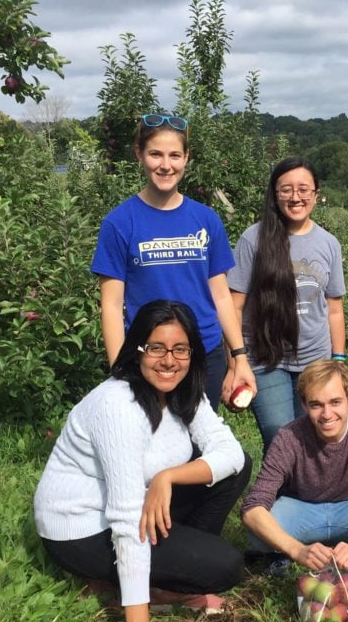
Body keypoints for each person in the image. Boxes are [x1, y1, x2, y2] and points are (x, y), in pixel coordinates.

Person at [34, 300, 252, 622]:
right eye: (156, 348)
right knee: (225, 567)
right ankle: (146, 585)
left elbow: (231, 454)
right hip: (82, 528)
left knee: (235, 470)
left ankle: (170, 571)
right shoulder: (118, 406)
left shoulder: (185, 391)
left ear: (192, 353)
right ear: (137, 351)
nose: (169, 361)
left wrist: (167, 477)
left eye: (179, 349)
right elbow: (125, 519)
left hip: (141, 499)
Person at [91, 113, 255, 406]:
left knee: (198, 444)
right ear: (139, 154)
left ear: (186, 158)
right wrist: (119, 370)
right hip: (150, 358)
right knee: (155, 447)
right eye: (155, 154)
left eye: (174, 155)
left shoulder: (206, 219)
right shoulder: (118, 223)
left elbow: (220, 296)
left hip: (205, 354)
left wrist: (239, 357)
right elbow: (112, 305)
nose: (166, 165)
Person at [241, 360, 348, 577]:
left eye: (335, 402)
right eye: (316, 405)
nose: (326, 414)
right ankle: (285, 553)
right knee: (256, 532)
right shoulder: (289, 437)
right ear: (304, 405)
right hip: (301, 508)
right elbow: (253, 507)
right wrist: (297, 550)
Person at [228, 158, 346, 450]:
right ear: (274, 194)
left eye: (304, 189)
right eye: (287, 190)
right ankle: (279, 494)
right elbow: (233, 306)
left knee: (317, 434)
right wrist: (235, 362)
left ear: (317, 194)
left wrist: (339, 361)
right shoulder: (253, 239)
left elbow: (334, 308)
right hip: (266, 358)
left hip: (316, 359)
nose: (296, 197)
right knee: (279, 435)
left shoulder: (328, 243)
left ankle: (312, 494)